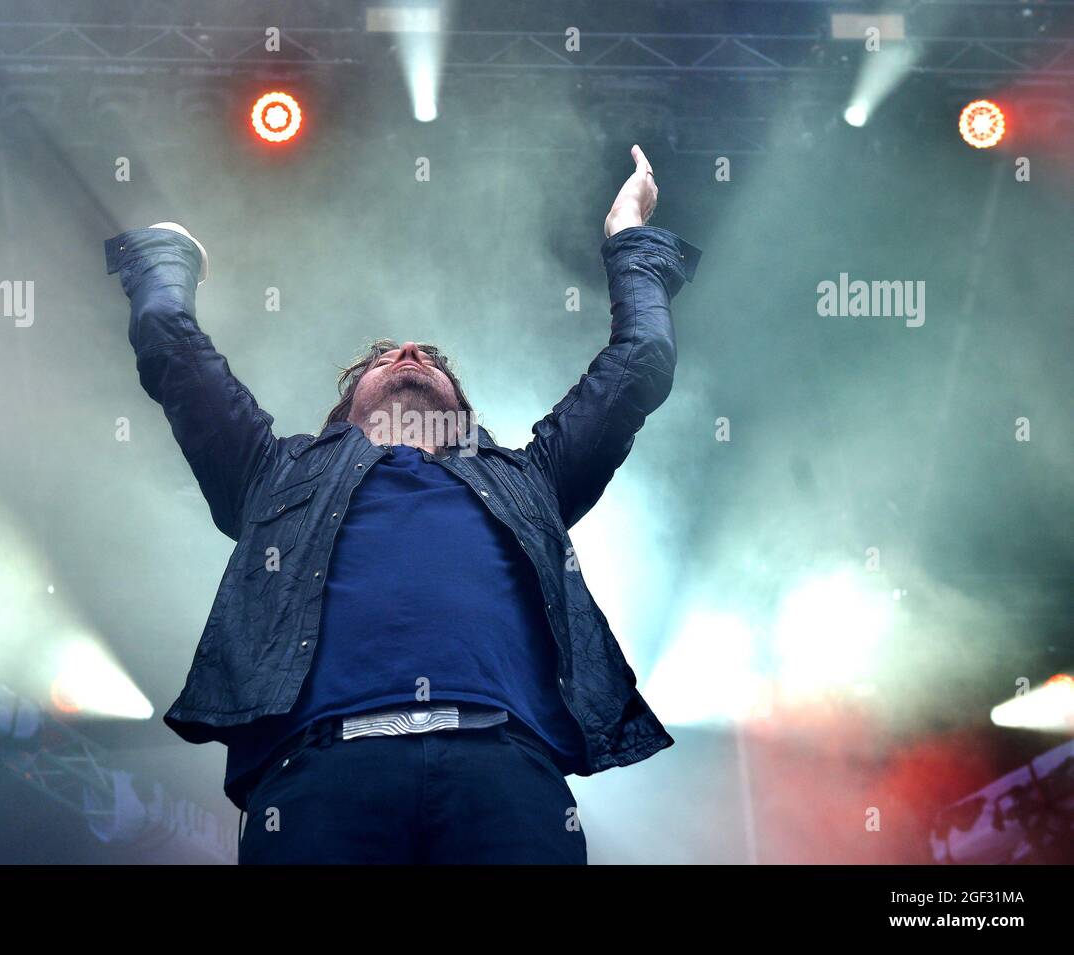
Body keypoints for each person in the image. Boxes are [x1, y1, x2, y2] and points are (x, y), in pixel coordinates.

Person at [103, 145, 701, 863]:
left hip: (506, 774)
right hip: (320, 778)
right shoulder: (275, 470)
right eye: (384, 358)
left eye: (430, 359)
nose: (410, 350)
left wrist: (628, 235)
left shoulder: (528, 476)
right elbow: (176, 355)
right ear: (343, 411)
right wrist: (168, 256)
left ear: (462, 410)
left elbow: (639, 363)